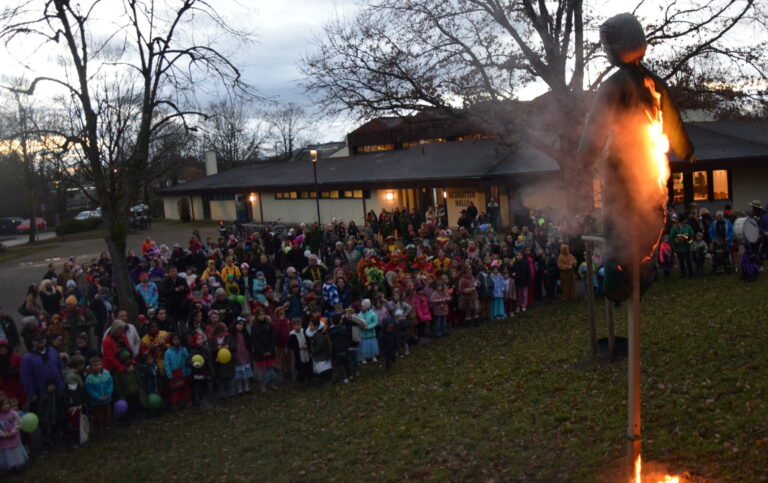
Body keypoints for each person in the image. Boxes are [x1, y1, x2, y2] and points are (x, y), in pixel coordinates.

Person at [21, 331, 64, 412]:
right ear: (33, 342)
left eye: (42, 339)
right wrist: (31, 393)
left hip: (58, 388)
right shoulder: (28, 358)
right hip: (41, 392)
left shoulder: (53, 351)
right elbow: (26, 377)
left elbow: (60, 366)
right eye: (37, 340)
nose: (41, 341)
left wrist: (62, 382)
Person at [85, 355, 114, 434]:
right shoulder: (89, 378)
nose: (97, 367)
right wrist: (98, 397)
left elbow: (110, 384)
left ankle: (108, 428)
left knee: (107, 414)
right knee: (98, 416)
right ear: (91, 367)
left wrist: (108, 394)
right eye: (95, 365)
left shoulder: (106, 373)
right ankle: (99, 429)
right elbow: (90, 390)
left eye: (99, 364)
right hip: (96, 402)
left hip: (107, 399)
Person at [0, 396, 28, 475]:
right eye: (3, 405)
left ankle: (18, 465)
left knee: (16, 452)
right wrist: (3, 434)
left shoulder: (13, 413)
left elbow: (19, 421)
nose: (6, 406)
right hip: (4, 440)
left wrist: (14, 430)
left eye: (7, 404)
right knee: (8, 453)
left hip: (14, 437)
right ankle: (12, 467)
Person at [164, 334, 191, 409]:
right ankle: (175, 403)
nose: (176, 341)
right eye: (175, 340)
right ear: (171, 341)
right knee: (175, 390)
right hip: (174, 373)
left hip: (183, 372)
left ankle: (185, 402)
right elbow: (167, 365)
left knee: (185, 388)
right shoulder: (168, 352)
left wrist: (188, 372)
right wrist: (169, 375)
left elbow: (187, 360)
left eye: (178, 339)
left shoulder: (183, 349)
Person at [357, 299, 379, 363]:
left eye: (363, 306)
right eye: (361, 306)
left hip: (371, 334)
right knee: (363, 347)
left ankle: (373, 356)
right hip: (363, 334)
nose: (362, 307)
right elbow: (358, 321)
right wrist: (360, 325)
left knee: (372, 346)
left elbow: (375, 322)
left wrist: (368, 327)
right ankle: (364, 357)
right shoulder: (359, 314)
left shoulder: (373, 314)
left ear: (367, 307)